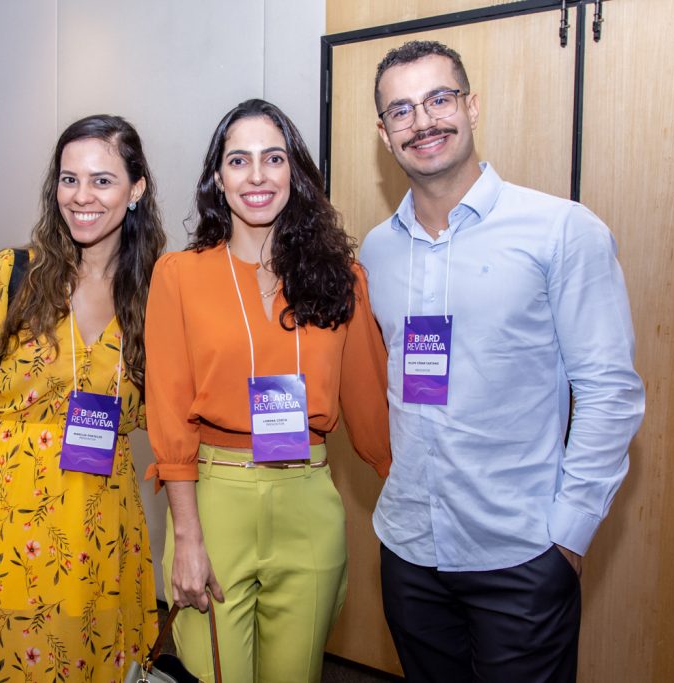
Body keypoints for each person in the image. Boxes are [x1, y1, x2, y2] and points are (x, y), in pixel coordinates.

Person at [359, 40, 646, 682]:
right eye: (401, 111)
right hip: (410, 550)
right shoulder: (376, 253)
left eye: (440, 99)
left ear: (473, 105)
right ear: (384, 134)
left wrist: (568, 537)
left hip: (520, 554)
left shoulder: (561, 231)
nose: (423, 121)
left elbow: (609, 393)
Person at [0, 115, 166, 682]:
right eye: (69, 179)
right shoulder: (16, 273)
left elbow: (155, 410)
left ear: (137, 188)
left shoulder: (154, 292)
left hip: (100, 526)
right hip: (1, 518)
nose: (82, 197)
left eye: (102, 180)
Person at [144, 98, 391, 683]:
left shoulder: (341, 275)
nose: (256, 175)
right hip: (214, 500)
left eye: (273, 158)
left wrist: (420, 495)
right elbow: (170, 413)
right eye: (239, 160)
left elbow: (369, 404)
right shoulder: (178, 276)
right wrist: (187, 539)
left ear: (295, 173)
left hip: (308, 500)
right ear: (217, 178)